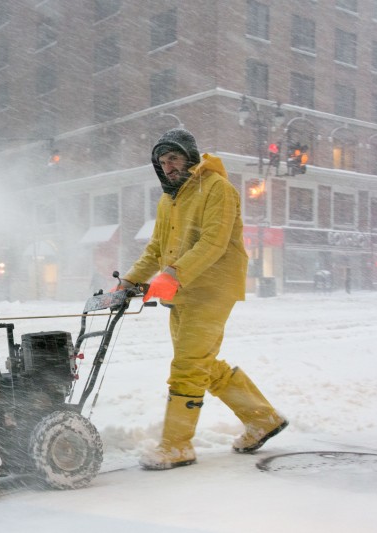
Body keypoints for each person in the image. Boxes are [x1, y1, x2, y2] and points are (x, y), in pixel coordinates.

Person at [117, 128, 288, 470]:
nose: (168, 166)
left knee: (187, 366)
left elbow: (213, 242)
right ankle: (262, 418)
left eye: (174, 158)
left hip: (211, 289)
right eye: (163, 161)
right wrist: (128, 281)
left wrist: (173, 275)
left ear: (190, 157)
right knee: (202, 363)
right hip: (180, 292)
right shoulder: (169, 199)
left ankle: (176, 445)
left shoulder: (216, 188)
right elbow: (156, 249)